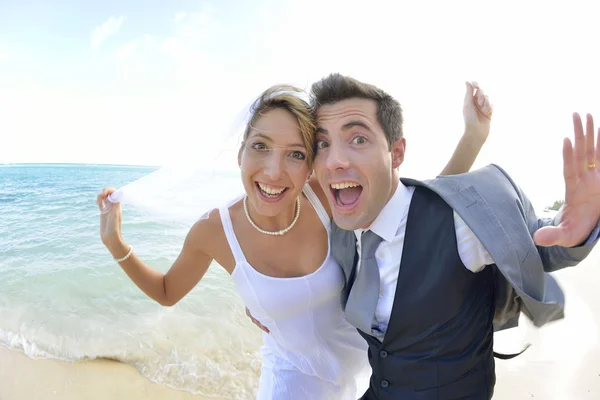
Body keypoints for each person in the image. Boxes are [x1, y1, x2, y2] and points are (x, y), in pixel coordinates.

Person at [97, 82, 493, 399]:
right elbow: (167, 291)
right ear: (240, 153)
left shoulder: (324, 196)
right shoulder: (215, 231)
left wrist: (472, 139)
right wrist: (116, 244)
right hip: (293, 378)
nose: (273, 172)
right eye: (260, 147)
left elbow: (411, 214)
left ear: (310, 166)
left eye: (296, 154)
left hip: (371, 364)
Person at [309, 73, 600, 399]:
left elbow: (538, 246)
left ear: (397, 153)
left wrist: (577, 229)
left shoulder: (460, 221)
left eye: (358, 139)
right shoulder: (343, 232)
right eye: (323, 143)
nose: (334, 160)